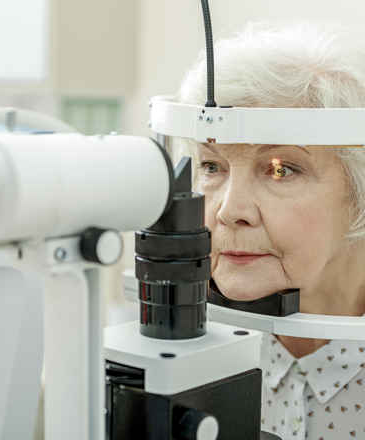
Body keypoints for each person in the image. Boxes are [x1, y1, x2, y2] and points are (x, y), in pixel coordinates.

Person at [175, 21, 365, 440]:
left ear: (359, 191)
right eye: (212, 166)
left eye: (281, 169)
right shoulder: (182, 356)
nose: (229, 211)